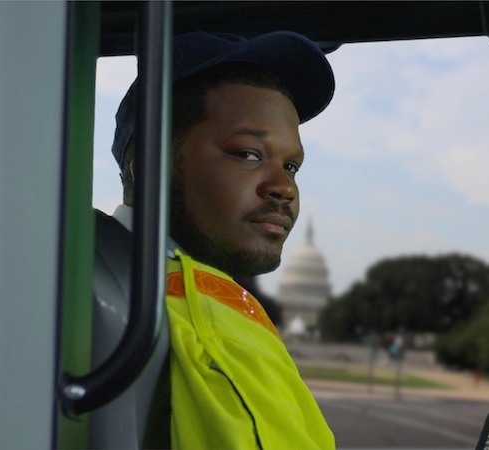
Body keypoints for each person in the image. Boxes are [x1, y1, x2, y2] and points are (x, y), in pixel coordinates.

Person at [109, 31, 336, 449]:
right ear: (150, 165)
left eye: (291, 166)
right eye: (248, 154)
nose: (284, 187)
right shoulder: (203, 314)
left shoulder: (98, 261)